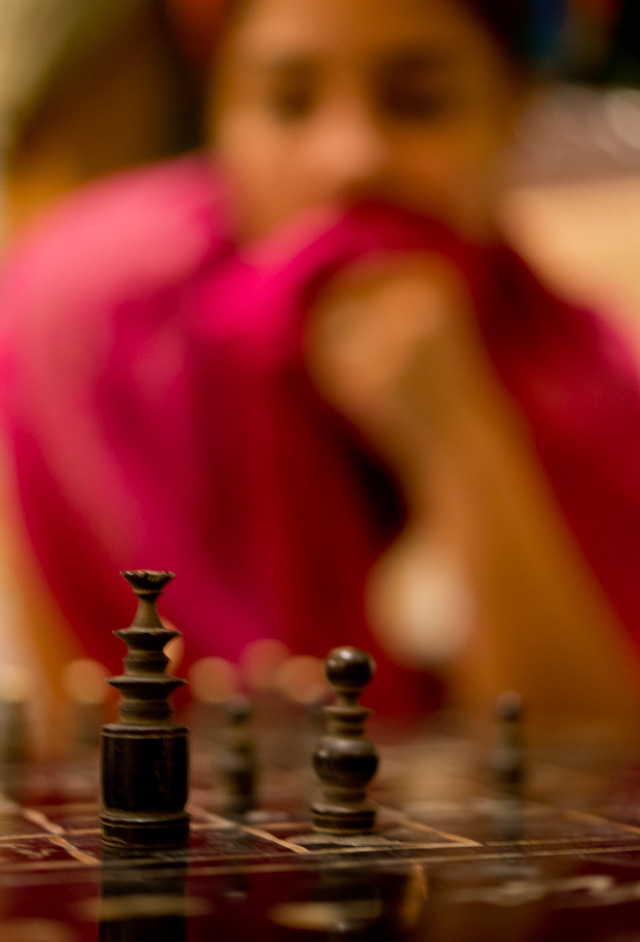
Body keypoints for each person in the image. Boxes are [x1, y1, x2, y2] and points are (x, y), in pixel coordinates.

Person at [1, 0, 640, 734]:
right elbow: (95, 727)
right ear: (220, 118)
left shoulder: (580, 370)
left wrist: (460, 433)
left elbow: (587, 762)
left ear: (511, 112)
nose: (351, 160)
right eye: (288, 102)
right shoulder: (90, 322)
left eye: (418, 102)